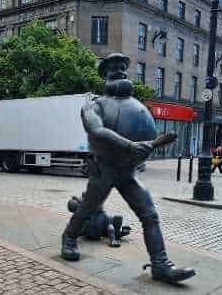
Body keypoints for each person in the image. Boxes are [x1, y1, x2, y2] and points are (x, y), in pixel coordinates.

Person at [61, 54, 195, 284]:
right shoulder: (93, 105)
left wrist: (142, 151)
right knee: (87, 209)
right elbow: (97, 131)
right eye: (114, 68)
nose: (120, 71)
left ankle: (161, 265)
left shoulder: (136, 105)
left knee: (150, 215)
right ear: (104, 75)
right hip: (104, 169)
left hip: (128, 171)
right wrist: (130, 145)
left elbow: (145, 136)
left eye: (123, 67)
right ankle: (69, 238)